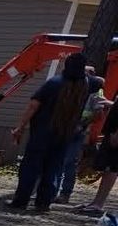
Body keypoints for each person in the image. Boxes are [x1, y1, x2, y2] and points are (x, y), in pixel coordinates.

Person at [8, 50, 92, 213]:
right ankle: (43, 202)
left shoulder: (54, 83)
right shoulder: (84, 85)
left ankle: (21, 200)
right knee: (53, 168)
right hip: (64, 133)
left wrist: (20, 127)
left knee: (31, 167)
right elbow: (98, 80)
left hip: (42, 132)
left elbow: (33, 105)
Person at [56, 71, 105, 206]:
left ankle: (64, 193)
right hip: (66, 128)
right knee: (62, 160)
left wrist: (83, 124)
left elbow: (99, 113)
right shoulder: (70, 86)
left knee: (68, 162)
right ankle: (54, 191)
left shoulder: (96, 90)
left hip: (77, 129)